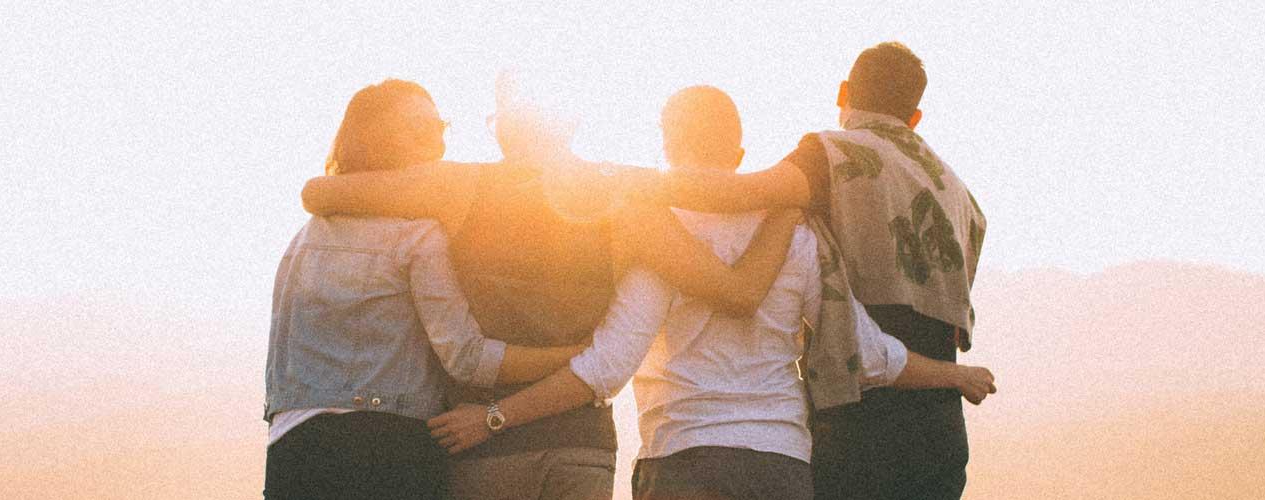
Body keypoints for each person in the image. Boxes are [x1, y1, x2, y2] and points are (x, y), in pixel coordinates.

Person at [425, 86, 995, 500]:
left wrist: (494, 416)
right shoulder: (797, 234)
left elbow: (607, 367)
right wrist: (957, 374)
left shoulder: (659, 236)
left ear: (667, 148)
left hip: (683, 460)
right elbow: (867, 353)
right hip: (780, 465)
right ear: (741, 156)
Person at [300, 74, 800, 500]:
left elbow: (320, 193)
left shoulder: (455, 186)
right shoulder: (626, 201)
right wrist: (789, 204)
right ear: (571, 122)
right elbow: (737, 292)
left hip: (480, 450)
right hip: (579, 448)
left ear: (503, 126)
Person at [647, 42, 991, 500]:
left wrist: (620, 184)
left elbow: (741, 195)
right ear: (915, 116)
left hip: (855, 424)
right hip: (937, 426)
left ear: (844, 92)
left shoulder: (833, 155)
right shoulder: (960, 195)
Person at [263, 79, 583, 500]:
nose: (437, 144)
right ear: (376, 138)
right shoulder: (418, 235)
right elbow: (466, 358)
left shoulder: (302, 239)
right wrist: (574, 359)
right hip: (390, 449)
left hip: (293, 448)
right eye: (418, 129)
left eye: (440, 128)